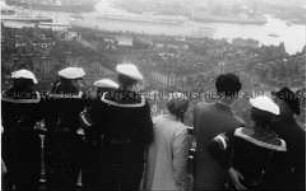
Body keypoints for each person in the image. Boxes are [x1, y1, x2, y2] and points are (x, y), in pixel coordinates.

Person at [88, 63, 154, 190]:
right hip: (132, 155)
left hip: (108, 151)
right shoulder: (142, 103)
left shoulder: (105, 98)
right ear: (135, 82)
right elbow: (147, 136)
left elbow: (91, 123)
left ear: (118, 79)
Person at [208, 96, 287, 190]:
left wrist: (230, 169)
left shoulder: (238, 133)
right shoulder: (280, 145)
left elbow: (213, 145)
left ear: (252, 116)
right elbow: (280, 174)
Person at [193, 73, 244, 190]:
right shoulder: (238, 125)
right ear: (236, 94)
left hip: (198, 178)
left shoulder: (199, 109)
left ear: (217, 90)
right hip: (218, 182)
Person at [44, 67, 87, 191]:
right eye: (79, 81)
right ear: (73, 82)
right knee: (70, 176)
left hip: (52, 139)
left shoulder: (49, 95)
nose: (81, 84)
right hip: (71, 141)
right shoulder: (81, 96)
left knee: (53, 176)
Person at [2, 69, 43, 191]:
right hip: (29, 139)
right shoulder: (36, 96)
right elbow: (40, 115)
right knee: (30, 171)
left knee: (10, 169)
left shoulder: (4, 95)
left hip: (9, 138)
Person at [143, 92, 190, 191]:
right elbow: (179, 162)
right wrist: (181, 182)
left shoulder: (155, 121)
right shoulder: (180, 129)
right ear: (183, 110)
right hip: (170, 184)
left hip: (150, 180)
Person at [81, 78, 119, 191]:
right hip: (109, 148)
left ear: (101, 92)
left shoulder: (98, 104)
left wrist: (83, 113)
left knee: (91, 180)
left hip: (94, 147)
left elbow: (86, 123)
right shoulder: (116, 105)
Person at [272, 87, 305, 190]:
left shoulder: (271, 126)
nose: (274, 104)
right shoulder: (301, 134)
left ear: (284, 104)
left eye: (277, 101)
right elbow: (302, 172)